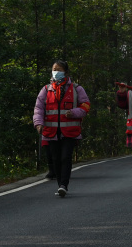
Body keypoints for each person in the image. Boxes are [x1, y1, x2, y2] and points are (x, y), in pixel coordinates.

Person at [33, 60, 90, 198]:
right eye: (54, 69)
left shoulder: (77, 89)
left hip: (69, 132)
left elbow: (86, 106)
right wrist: (38, 124)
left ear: (66, 72)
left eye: (59, 69)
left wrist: (75, 112)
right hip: (51, 132)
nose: (56, 71)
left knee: (66, 157)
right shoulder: (46, 90)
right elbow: (38, 108)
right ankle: (60, 185)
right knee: (56, 159)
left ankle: (64, 185)